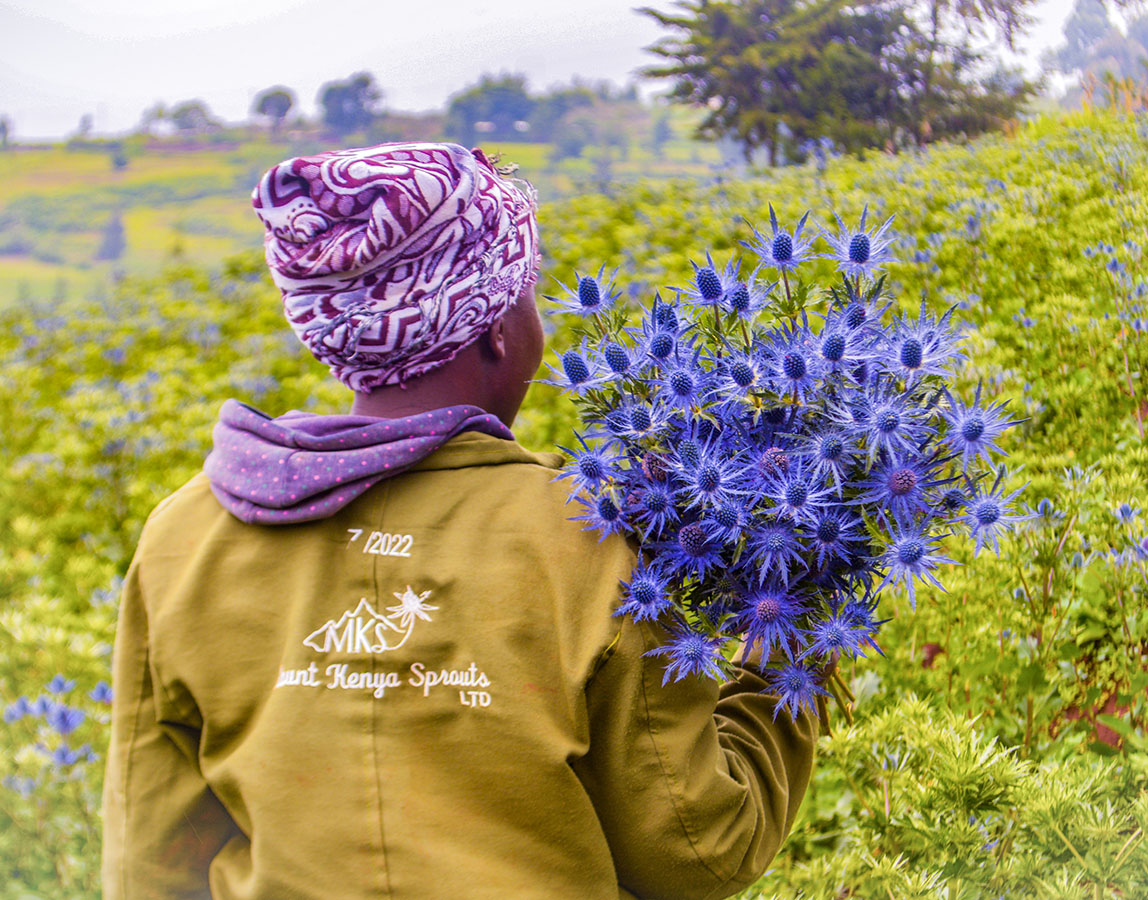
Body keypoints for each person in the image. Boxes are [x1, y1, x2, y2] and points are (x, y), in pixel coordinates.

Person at [100, 141, 819, 900]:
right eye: (529, 295)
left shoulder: (185, 537)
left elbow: (151, 862)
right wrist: (787, 653)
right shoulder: (590, 532)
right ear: (496, 330)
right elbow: (697, 853)